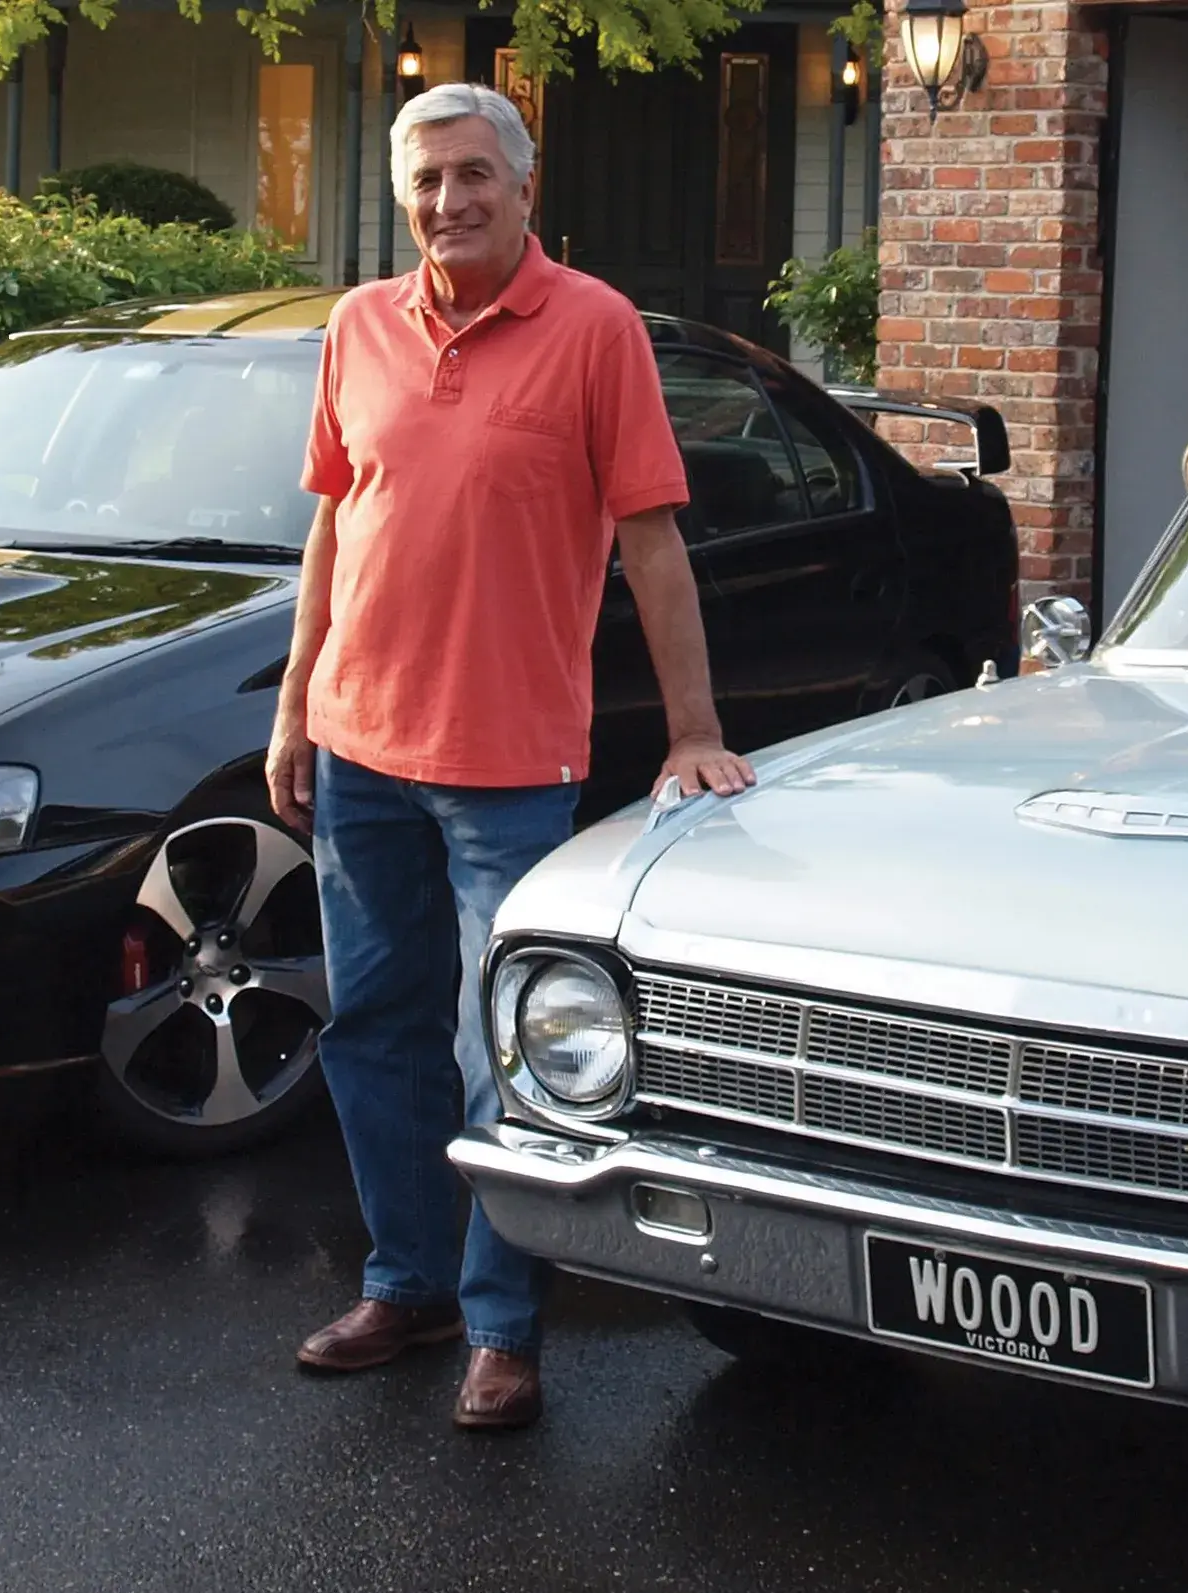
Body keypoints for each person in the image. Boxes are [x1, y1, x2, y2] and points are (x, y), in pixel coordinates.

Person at [274, 82, 755, 1431]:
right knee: (375, 1029)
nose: (449, 202)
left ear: (526, 188)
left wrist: (696, 730)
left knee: (509, 1050)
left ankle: (502, 1326)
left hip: (509, 764)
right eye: (425, 181)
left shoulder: (595, 329)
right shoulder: (358, 327)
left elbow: (654, 542)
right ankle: (407, 1281)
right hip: (358, 744)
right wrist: (292, 706)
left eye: (474, 175)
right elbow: (330, 529)